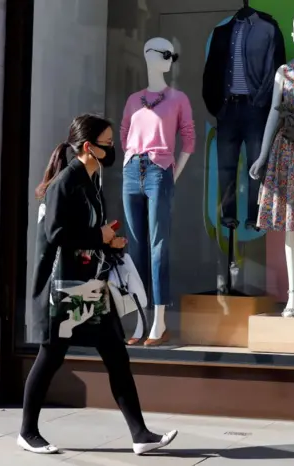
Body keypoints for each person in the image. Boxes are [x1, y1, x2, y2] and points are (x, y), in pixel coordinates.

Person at [19, 114, 177, 455]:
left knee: (116, 355)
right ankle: (27, 431)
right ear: (88, 147)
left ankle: (140, 434)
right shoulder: (67, 181)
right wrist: (99, 235)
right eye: (107, 143)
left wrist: (109, 241)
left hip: (90, 285)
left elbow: (86, 232)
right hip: (65, 289)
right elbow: (56, 234)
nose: (112, 148)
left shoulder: (92, 180)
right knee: (50, 356)